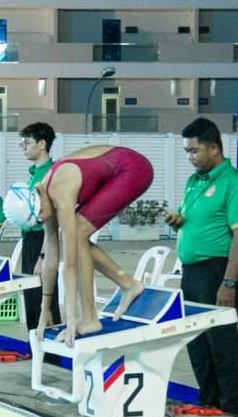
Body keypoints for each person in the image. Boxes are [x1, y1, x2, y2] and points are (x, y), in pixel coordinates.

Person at [165, 118, 238, 415]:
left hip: (218, 271)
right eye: (187, 152)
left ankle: (230, 409)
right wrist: (179, 222)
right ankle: (208, 402)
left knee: (221, 341)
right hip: (191, 272)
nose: (190, 157)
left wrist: (228, 283)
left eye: (194, 151)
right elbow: (198, 221)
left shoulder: (234, 183)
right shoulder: (194, 182)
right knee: (197, 340)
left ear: (214, 148)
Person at [35, 145, 153, 344]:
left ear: (37, 197)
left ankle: (90, 319)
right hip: (118, 167)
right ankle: (129, 285)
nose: (41, 218)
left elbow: (70, 264)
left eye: (39, 213)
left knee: (78, 233)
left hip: (133, 168)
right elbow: (51, 258)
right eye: (36, 219)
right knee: (77, 233)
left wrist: (71, 320)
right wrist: (44, 309)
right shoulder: (42, 200)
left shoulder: (59, 190)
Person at [18, 122, 59, 330]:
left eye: (27, 143)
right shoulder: (35, 173)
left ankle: (51, 344)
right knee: (31, 294)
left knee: (44, 296)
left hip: (42, 239)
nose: (24, 148)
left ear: (42, 144)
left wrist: (43, 256)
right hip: (29, 239)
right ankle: (35, 342)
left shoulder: (51, 174)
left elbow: (54, 219)